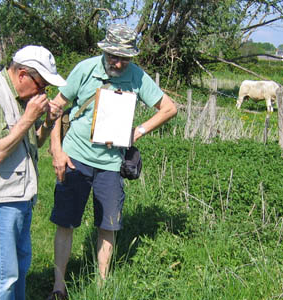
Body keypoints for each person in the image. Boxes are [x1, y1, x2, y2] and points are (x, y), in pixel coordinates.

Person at [47, 24, 178, 300]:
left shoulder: (138, 77)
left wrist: (137, 132)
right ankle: (59, 286)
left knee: (108, 224)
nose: (118, 63)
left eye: (124, 58)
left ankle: (102, 287)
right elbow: (56, 107)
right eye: (112, 56)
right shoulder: (85, 69)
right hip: (75, 157)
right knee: (66, 221)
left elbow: (169, 108)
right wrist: (57, 151)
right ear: (103, 50)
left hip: (110, 163)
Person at [0, 45, 66, 300]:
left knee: (19, 267)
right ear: (22, 75)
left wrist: (48, 123)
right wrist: (28, 118)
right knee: (2, 276)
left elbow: (33, 143)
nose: (43, 93)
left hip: (20, 195)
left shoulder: (22, 98)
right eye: (41, 85)